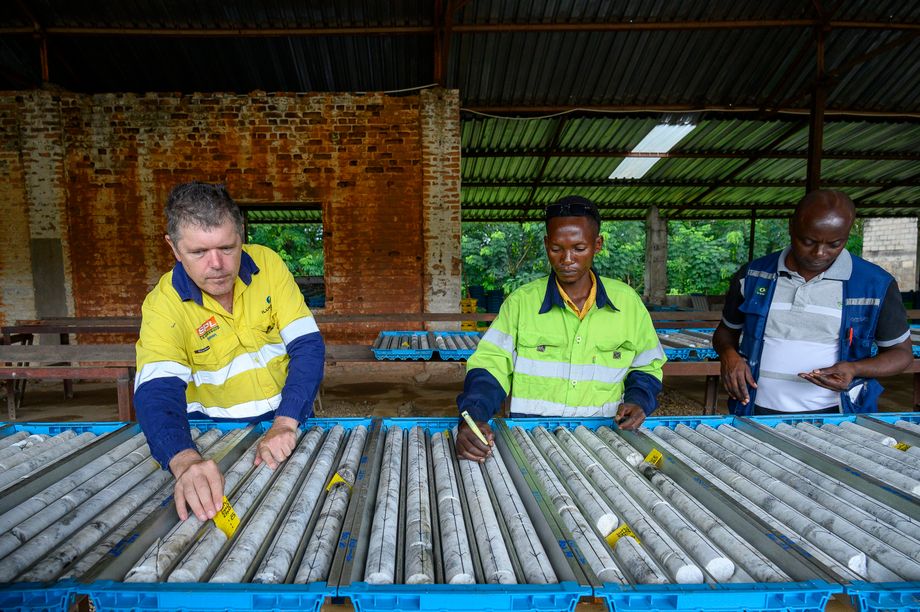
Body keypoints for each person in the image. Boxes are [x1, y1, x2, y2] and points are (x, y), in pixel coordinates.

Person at [134, 182, 325, 521]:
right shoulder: (164, 305)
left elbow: (307, 346)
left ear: (241, 234)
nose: (217, 264)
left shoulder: (267, 264)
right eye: (198, 252)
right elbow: (156, 392)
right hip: (211, 439)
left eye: (227, 247)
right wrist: (184, 460)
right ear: (174, 248)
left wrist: (286, 421)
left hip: (287, 424)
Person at [455, 195, 666, 461]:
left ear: (597, 245)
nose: (567, 259)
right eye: (557, 248)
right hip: (531, 442)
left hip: (602, 441)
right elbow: (490, 365)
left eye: (579, 248)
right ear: (546, 244)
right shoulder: (521, 303)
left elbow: (647, 365)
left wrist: (639, 400)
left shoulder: (628, 305)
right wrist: (472, 417)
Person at [713, 189, 912, 416]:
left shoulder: (875, 284)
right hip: (754, 410)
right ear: (791, 227)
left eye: (834, 244)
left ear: (847, 235)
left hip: (838, 416)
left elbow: (901, 354)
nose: (819, 253)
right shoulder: (753, 275)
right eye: (808, 241)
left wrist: (855, 368)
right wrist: (729, 355)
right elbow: (725, 333)